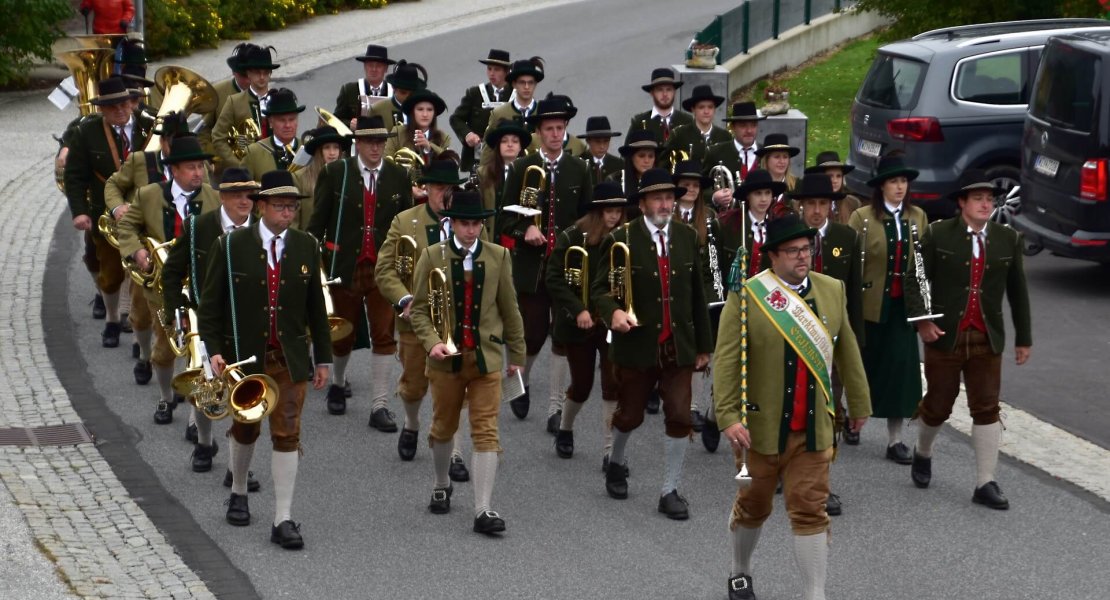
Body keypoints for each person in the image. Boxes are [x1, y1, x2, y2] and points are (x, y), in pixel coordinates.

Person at [714, 213, 870, 600]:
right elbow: (726, 359)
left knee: (809, 508)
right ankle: (740, 570)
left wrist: (860, 401)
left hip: (813, 429)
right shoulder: (748, 295)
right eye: (793, 251)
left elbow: (846, 347)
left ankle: (815, 594)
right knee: (753, 505)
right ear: (772, 256)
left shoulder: (832, 288)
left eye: (806, 249)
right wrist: (728, 416)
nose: (803, 257)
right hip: (758, 428)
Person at [198, 170, 332, 550]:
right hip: (244, 359)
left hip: (287, 358)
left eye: (291, 206)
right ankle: (238, 490)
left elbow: (316, 309)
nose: (287, 212)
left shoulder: (306, 245)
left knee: (288, 432)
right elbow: (210, 307)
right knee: (245, 429)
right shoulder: (231, 246)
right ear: (261, 207)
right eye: (279, 205)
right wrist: (214, 349)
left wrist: (322, 358)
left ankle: (283, 518)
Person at [907, 168, 1032, 510]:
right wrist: (922, 323)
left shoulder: (1008, 239)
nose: (985, 204)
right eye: (977, 198)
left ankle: (985, 481)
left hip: (986, 336)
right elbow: (916, 278)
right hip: (945, 335)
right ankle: (923, 451)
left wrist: (1024, 338)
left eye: (989, 199)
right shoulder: (938, 234)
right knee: (938, 405)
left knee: (987, 406)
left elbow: (1018, 291)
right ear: (961, 202)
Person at [591, 169, 713, 520]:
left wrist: (704, 345)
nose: (665, 204)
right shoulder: (622, 238)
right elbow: (599, 289)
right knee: (629, 415)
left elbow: (696, 295)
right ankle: (616, 462)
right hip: (638, 344)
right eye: (658, 197)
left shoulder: (688, 237)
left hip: (678, 345)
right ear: (642, 203)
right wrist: (612, 311)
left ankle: (669, 490)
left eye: (670, 197)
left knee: (678, 414)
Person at [409, 191, 526, 535]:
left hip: (486, 359)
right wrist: (431, 343)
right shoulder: (432, 256)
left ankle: (483, 509)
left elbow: (510, 309)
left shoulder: (499, 256)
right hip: (446, 361)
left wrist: (516, 356)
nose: (471, 230)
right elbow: (418, 310)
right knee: (443, 427)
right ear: (452, 223)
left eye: (476, 223)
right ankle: (442, 483)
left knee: (486, 431)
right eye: (464, 223)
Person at [308, 116, 413, 430]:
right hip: (344, 264)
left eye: (381, 141)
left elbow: (406, 224)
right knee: (343, 334)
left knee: (384, 334)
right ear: (357, 143)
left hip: (384, 267)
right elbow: (317, 221)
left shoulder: (398, 175)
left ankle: (379, 405)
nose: (376, 147)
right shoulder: (335, 173)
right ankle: (338, 383)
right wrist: (312, 262)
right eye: (370, 141)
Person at [374, 159, 472, 481]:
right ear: (427, 188)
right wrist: (403, 299)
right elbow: (385, 270)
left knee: (455, 391)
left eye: (452, 188)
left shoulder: (468, 222)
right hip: (415, 321)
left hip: (456, 323)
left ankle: (455, 454)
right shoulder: (405, 221)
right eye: (442, 188)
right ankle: (413, 423)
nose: (447, 194)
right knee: (414, 386)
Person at [161, 168, 259, 484]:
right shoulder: (198, 227)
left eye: (250, 194)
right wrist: (176, 310)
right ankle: (204, 443)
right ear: (222, 196)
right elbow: (172, 272)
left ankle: (236, 467)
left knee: (243, 396)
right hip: (206, 317)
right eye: (237, 194)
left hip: (248, 322)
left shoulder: (263, 230)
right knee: (204, 387)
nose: (245, 200)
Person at [499, 97, 592, 421]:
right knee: (532, 332)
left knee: (563, 335)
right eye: (549, 128)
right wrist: (525, 229)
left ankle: (555, 407)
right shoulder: (523, 168)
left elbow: (587, 218)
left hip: (567, 265)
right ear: (538, 132)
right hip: (533, 266)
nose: (555, 134)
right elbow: (504, 217)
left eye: (560, 128)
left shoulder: (579, 168)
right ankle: (518, 382)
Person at [116, 136, 220, 425]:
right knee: (163, 351)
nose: (198, 172)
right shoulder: (148, 194)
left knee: (199, 350)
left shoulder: (213, 197)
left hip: (201, 286)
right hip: (162, 287)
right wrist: (136, 250)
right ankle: (165, 396)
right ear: (174, 170)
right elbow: (126, 226)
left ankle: (194, 414)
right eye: (191, 167)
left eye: (200, 166)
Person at [790, 173, 864, 517]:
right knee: (788, 408)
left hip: (830, 345)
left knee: (828, 413)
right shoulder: (786, 236)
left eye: (823, 204)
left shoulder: (846, 237)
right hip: (790, 340)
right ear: (800, 206)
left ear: (832, 206)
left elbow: (853, 297)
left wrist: (856, 346)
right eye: (811, 204)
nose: (817, 211)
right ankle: (784, 466)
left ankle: (822, 483)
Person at [847, 153, 929, 465]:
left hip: (901, 307)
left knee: (900, 372)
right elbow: (852, 265)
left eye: (903, 181)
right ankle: (855, 417)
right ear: (881, 185)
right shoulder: (863, 218)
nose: (899, 187)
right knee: (863, 367)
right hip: (868, 306)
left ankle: (895, 440)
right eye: (893, 181)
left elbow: (921, 262)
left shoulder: (917, 216)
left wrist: (923, 306)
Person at [103, 112, 192, 388]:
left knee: (179, 321)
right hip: (147, 254)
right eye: (173, 141)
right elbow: (113, 184)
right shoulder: (141, 161)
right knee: (141, 315)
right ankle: (143, 355)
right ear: (163, 142)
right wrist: (118, 208)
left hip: (180, 259)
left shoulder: (194, 169)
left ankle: (178, 377)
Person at [64, 77, 152, 348]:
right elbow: (75, 177)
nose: (120, 110)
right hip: (106, 213)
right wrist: (79, 212)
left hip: (146, 211)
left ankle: (141, 334)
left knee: (145, 275)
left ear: (132, 101)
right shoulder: (87, 132)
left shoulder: (148, 125)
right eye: (112, 106)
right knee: (111, 274)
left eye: (124, 103)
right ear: (101, 108)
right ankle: (113, 318)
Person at [545, 181, 628, 460]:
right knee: (581, 385)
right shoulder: (572, 237)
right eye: (609, 211)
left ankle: (608, 451)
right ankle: (566, 428)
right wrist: (577, 309)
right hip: (578, 323)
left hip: (611, 323)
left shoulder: (626, 237)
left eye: (618, 211)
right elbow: (554, 278)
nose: (614, 216)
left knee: (612, 384)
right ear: (597, 212)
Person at [672, 160, 722, 433]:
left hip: (701, 293)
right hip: (674, 291)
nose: (691, 189)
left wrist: (715, 294)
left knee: (701, 349)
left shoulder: (711, 219)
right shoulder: (669, 215)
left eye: (695, 185)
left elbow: (713, 260)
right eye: (685, 185)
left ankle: (691, 406)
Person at [212, 45, 280, 170]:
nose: (262, 77)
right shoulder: (234, 101)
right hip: (246, 174)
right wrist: (238, 165)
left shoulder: (279, 99)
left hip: (275, 169)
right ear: (248, 73)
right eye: (257, 72)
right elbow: (218, 136)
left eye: (266, 73)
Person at [448, 49, 512, 173]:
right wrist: (468, 134)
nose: (492, 73)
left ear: (506, 72)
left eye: (497, 70)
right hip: (479, 158)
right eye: (489, 69)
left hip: (509, 157)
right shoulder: (475, 93)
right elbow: (456, 118)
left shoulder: (515, 94)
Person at [384, 88, 453, 198]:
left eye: (429, 110)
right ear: (412, 112)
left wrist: (429, 147)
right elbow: (386, 164)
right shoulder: (397, 132)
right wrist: (407, 187)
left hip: (432, 197)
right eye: (420, 109)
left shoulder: (443, 137)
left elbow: (451, 165)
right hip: (402, 195)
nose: (425, 114)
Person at [478, 57, 545, 169]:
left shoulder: (543, 112)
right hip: (507, 171)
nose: (527, 87)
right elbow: (488, 146)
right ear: (514, 84)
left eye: (530, 83)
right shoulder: (499, 113)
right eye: (522, 82)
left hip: (536, 171)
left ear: (535, 84)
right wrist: (484, 172)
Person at [202, 43, 258, 175]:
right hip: (225, 168)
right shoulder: (217, 92)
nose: (249, 80)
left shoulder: (265, 94)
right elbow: (203, 132)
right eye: (244, 76)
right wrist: (213, 158)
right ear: (234, 72)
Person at [703, 101, 765, 212]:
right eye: (743, 126)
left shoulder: (766, 153)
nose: (749, 130)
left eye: (753, 125)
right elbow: (700, 188)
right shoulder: (715, 152)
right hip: (727, 222)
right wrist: (714, 196)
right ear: (733, 127)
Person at [291, 126, 350, 231]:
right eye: (327, 147)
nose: (332, 153)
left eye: (336, 147)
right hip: (309, 242)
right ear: (319, 151)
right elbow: (293, 222)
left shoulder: (349, 177)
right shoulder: (299, 178)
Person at [241, 88, 305, 179]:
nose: (287, 125)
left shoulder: (308, 149)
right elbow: (244, 188)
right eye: (281, 120)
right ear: (270, 122)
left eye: (292, 119)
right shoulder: (253, 153)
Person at [478, 117, 529, 230]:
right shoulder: (483, 173)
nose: (510, 145)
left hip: (519, 236)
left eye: (515, 141)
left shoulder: (529, 173)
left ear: (520, 146)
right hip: (492, 234)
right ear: (498, 146)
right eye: (504, 141)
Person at [665, 84, 731, 166]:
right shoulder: (679, 135)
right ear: (693, 109)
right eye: (701, 107)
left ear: (714, 110)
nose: (706, 111)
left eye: (710, 107)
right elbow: (664, 164)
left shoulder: (725, 136)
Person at [625, 68, 694, 144]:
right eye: (660, 90)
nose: (665, 94)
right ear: (652, 93)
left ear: (674, 92)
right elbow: (627, 154)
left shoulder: (687, 121)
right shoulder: (639, 122)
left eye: (669, 89)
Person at [333, 44, 396, 127]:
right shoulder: (349, 90)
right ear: (365, 66)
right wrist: (350, 124)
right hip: (356, 139)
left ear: (386, 68)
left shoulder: (395, 92)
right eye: (370, 65)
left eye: (378, 66)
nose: (374, 69)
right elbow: (335, 120)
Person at [804, 151, 862, 225]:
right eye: (830, 176)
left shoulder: (853, 203)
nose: (835, 181)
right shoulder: (807, 203)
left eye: (838, 176)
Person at [369, 60, 429, 131]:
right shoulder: (377, 109)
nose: (408, 97)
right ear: (393, 88)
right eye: (403, 93)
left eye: (412, 93)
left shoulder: (425, 110)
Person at [755, 133, 800, 212]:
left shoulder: (798, 186)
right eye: (777, 157)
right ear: (766, 160)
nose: (782, 161)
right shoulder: (755, 185)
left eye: (785, 157)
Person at [611, 129, 659, 199]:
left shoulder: (661, 182)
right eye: (641, 156)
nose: (646, 161)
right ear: (631, 157)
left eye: (651, 156)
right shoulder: (616, 181)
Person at [576, 116, 624, 186]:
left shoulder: (619, 165)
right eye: (597, 142)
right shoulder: (577, 164)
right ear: (588, 141)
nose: (602, 146)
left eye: (606, 141)